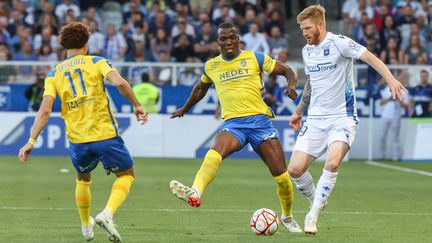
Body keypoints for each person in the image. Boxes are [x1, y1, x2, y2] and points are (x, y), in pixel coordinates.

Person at [17, 22, 148, 242]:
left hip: (78, 140)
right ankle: (107, 214)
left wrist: (31, 140)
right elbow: (119, 82)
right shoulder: (96, 61)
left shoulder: (53, 74)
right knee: (126, 174)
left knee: (83, 179)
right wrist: (137, 104)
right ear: (86, 44)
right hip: (105, 134)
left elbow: (45, 110)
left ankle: (86, 228)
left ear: (63, 46)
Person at [169, 22, 302, 233]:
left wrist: (292, 84)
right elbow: (200, 89)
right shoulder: (211, 66)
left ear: (238, 39)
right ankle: (195, 191)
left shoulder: (255, 58)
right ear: (218, 42)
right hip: (234, 124)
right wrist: (185, 108)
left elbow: (286, 70)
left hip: (259, 123)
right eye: (223, 38)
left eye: (232, 37)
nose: (228, 41)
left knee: (282, 177)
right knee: (214, 153)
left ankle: (287, 217)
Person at [288, 5, 406, 235]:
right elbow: (311, 84)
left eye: (307, 28)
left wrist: (391, 79)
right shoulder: (306, 51)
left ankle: (313, 216)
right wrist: (299, 110)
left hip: (342, 118)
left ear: (320, 25)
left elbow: (371, 58)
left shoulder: (340, 43)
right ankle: (316, 199)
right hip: (315, 119)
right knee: (294, 170)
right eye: (302, 29)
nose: (304, 33)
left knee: (332, 163)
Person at [379, 71, 411, 161]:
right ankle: (382, 155)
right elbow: (381, 103)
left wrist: (399, 100)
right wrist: (389, 99)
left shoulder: (404, 90)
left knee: (395, 137)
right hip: (385, 115)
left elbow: (406, 105)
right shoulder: (386, 89)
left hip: (396, 116)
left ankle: (395, 157)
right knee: (382, 136)